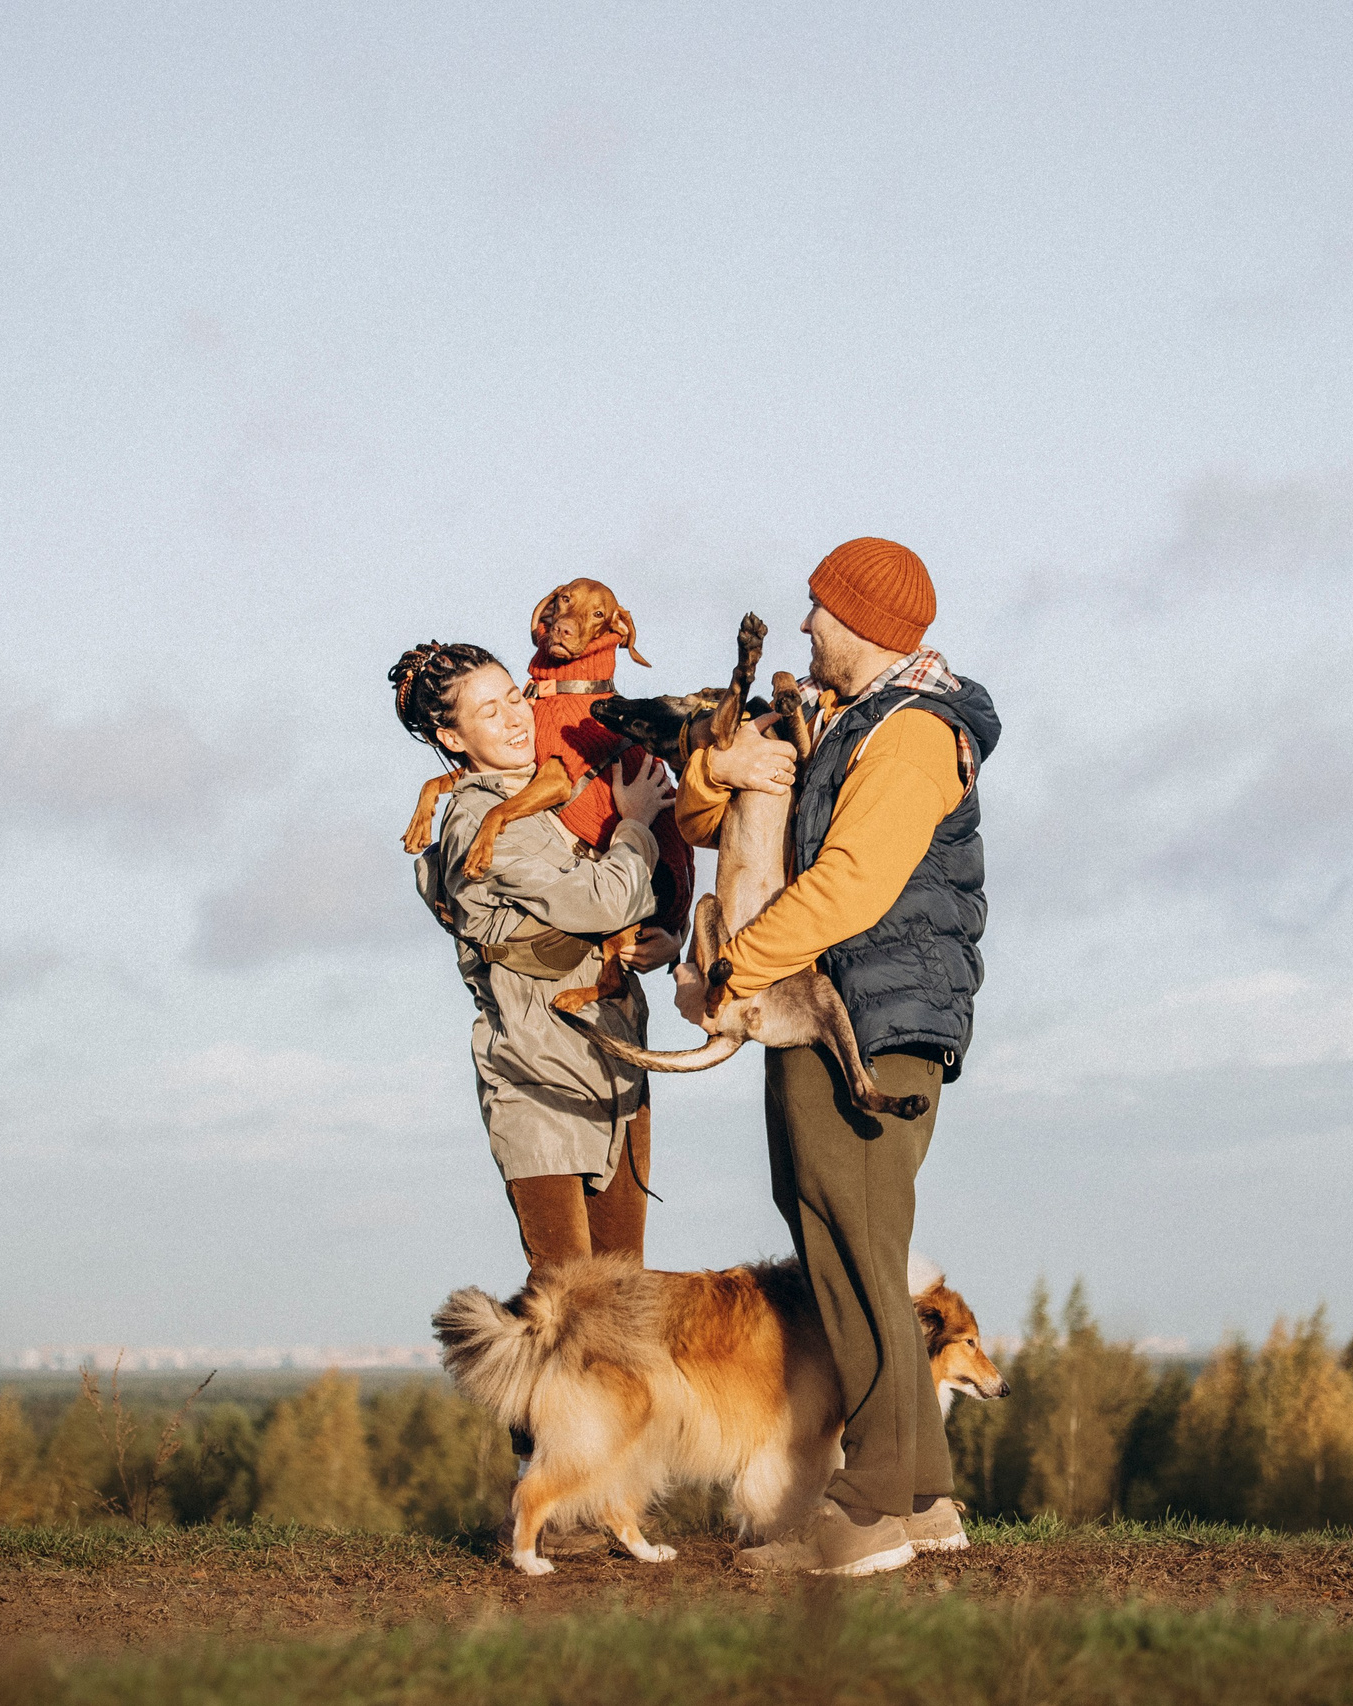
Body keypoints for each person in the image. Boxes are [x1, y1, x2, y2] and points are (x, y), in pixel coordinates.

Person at [669, 538, 999, 1577]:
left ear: (861, 621)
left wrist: (737, 967)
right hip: (834, 1011)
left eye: (818, 608)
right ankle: (925, 1496)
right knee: (843, 1242)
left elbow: (852, 884)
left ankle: (865, 1510)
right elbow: (709, 818)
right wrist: (715, 768)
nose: (805, 624)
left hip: (871, 1016)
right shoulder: (844, 722)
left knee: (853, 1257)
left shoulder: (907, 735)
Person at [388, 641, 680, 1287]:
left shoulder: (565, 793)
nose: (516, 719)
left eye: (514, 698)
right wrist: (636, 824)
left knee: (625, 1294)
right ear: (451, 736)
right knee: (571, 1301)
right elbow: (603, 899)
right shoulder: (481, 820)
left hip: (617, 1068)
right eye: (489, 713)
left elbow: (623, 916)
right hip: (534, 1077)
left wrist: (665, 945)